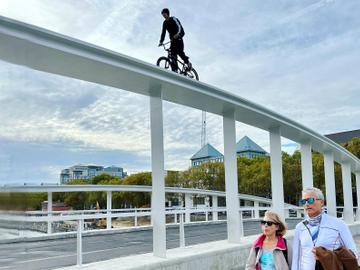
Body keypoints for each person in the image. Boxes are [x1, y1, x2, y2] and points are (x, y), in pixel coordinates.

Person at [291, 187, 359, 270]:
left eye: (310, 200)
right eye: (303, 201)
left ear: (322, 202)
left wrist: (326, 255)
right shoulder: (300, 227)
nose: (307, 204)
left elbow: (354, 254)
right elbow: (296, 258)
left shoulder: (338, 224)